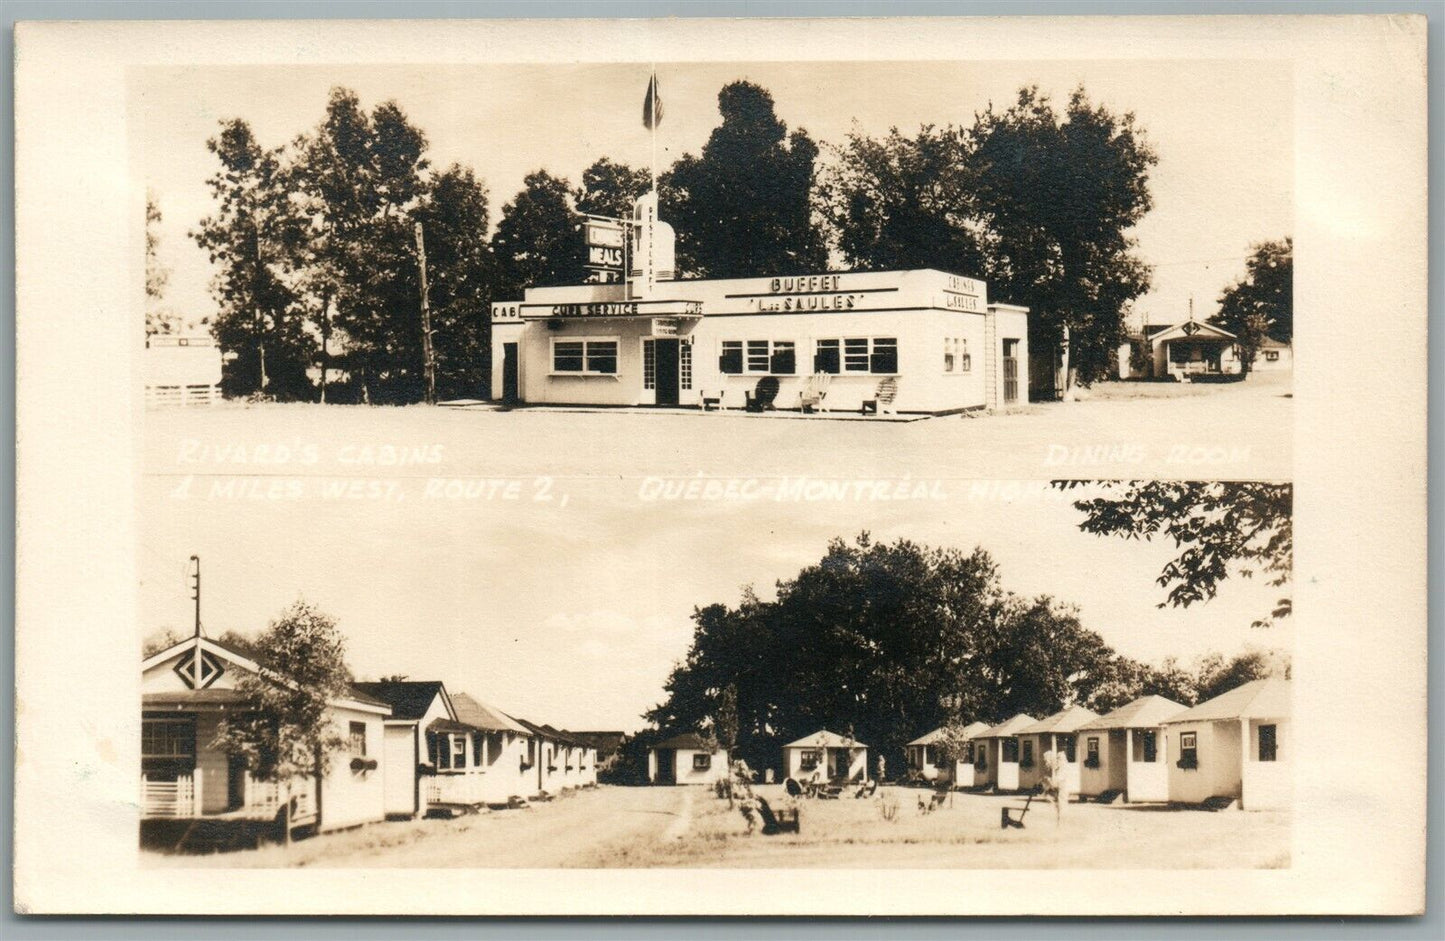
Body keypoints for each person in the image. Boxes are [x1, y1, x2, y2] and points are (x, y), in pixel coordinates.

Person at [1040, 746, 1068, 825]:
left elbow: (1056, 783)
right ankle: (1056, 823)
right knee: (1054, 806)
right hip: (1056, 791)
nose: (1046, 762)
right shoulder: (1055, 769)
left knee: (1061, 808)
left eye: (1047, 760)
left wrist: (1048, 780)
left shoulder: (1062, 769)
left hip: (1061, 790)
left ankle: (1060, 824)